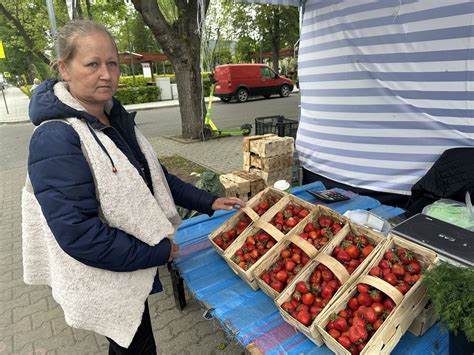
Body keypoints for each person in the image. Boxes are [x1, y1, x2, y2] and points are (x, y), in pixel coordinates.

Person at [21, 20, 245, 354]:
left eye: (112, 63)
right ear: (65, 69)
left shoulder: (112, 117)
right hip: (105, 274)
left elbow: (155, 179)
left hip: (124, 263)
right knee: (134, 343)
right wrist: (156, 252)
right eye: (93, 64)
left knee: (133, 340)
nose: (106, 74)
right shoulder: (56, 137)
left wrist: (210, 201)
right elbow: (78, 233)